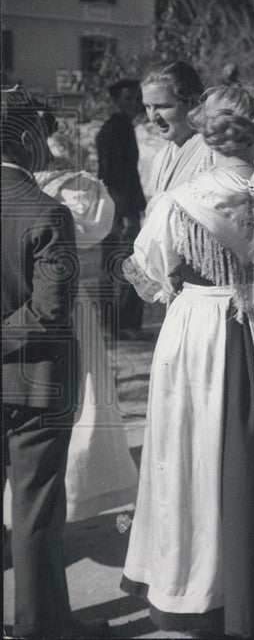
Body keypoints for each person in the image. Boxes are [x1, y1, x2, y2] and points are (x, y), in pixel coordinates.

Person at [120, 86, 254, 637]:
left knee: (197, 449)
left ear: (205, 133)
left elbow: (150, 273)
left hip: (203, 330)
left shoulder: (181, 200)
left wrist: (177, 288)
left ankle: (204, 588)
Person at [2, 88, 106, 638]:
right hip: (37, 383)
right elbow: (50, 309)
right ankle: (40, 626)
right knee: (35, 509)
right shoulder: (47, 211)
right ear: (27, 139)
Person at [33, 158, 139, 524]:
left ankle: (59, 495)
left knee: (75, 397)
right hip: (53, 300)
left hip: (61, 301)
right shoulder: (62, 190)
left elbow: (94, 223)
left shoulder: (70, 186)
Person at [96, 78, 148, 339]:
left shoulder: (119, 126)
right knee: (126, 265)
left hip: (115, 205)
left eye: (134, 97)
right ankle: (123, 326)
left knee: (114, 265)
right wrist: (128, 212)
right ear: (117, 100)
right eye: (126, 98)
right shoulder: (117, 129)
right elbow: (116, 174)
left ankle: (113, 325)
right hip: (120, 207)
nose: (132, 102)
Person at [143, 61, 212, 195]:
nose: (153, 117)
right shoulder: (161, 156)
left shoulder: (214, 153)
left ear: (190, 101)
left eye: (162, 106)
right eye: (148, 107)